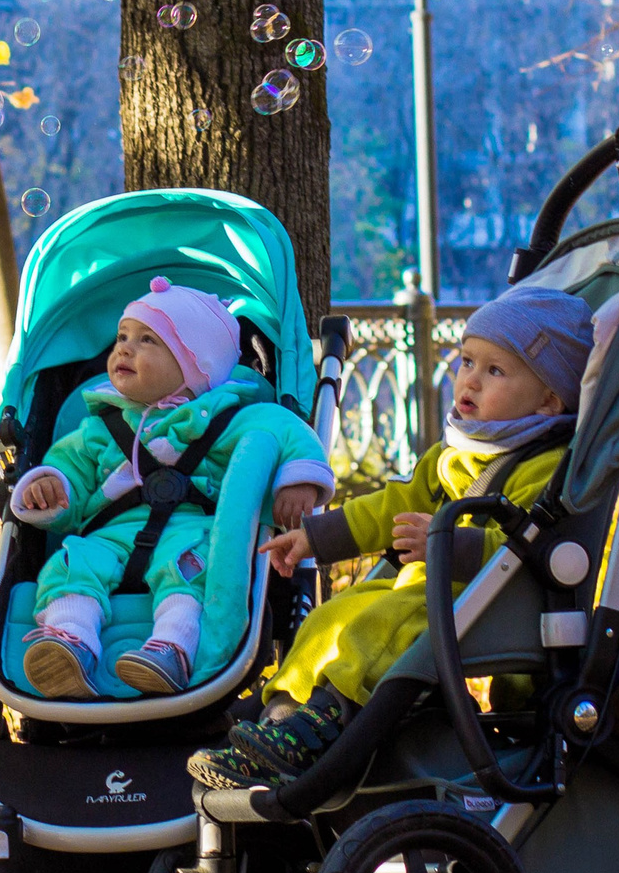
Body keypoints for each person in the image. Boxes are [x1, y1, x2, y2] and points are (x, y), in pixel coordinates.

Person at [187, 283, 594, 789]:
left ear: (549, 400)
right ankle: (280, 721)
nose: (469, 381)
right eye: (466, 361)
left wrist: (448, 544)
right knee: (331, 617)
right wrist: (314, 537)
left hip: (482, 605)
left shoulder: (547, 467)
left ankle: (317, 728)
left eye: (495, 371)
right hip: (427, 597)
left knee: (371, 626)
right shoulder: (453, 453)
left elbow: (535, 549)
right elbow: (391, 506)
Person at [15, 278, 335, 697]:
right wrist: (50, 485)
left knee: (188, 573)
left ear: (194, 363)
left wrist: (301, 481)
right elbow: (69, 468)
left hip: (192, 531)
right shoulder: (99, 427)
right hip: (109, 533)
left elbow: (290, 433)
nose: (124, 349)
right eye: (122, 337)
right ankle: (69, 643)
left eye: (147, 340)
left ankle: (171, 649)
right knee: (72, 565)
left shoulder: (232, 419)